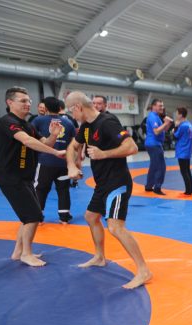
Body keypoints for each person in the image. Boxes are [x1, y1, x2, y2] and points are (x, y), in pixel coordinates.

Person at [65, 91, 152, 289]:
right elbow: (73, 146)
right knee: (91, 217)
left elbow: (132, 147)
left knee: (115, 227)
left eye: (71, 111)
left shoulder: (107, 122)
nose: (72, 116)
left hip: (117, 183)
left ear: (78, 107)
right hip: (102, 184)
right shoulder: (86, 126)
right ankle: (99, 257)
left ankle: (143, 270)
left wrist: (104, 154)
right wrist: (71, 165)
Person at [0, 86, 65, 267]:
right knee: (33, 216)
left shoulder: (28, 125)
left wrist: (53, 135)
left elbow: (44, 143)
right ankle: (27, 254)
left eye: (29, 101)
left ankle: (18, 252)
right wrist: (55, 153)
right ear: (10, 102)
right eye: (23, 101)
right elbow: (27, 141)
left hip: (25, 178)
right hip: (11, 178)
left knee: (27, 216)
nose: (28, 104)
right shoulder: (7, 121)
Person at [32, 96, 76, 223]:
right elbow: (75, 143)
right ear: (60, 107)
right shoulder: (68, 122)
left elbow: (30, 136)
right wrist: (75, 161)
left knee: (41, 189)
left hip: (45, 162)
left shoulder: (38, 120)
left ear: (45, 108)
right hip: (63, 162)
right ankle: (64, 217)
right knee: (63, 189)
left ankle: (37, 216)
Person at [144, 98, 173, 194]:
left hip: (153, 144)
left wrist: (168, 124)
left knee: (154, 166)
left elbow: (164, 130)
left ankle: (149, 186)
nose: (162, 107)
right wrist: (165, 123)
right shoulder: (152, 117)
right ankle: (157, 187)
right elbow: (156, 131)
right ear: (154, 106)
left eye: (162, 106)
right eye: (160, 106)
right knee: (161, 167)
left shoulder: (156, 116)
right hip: (154, 144)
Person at [173, 106, 192, 196]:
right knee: (187, 170)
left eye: (177, 113)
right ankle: (190, 189)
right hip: (187, 150)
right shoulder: (189, 124)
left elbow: (175, 136)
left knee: (184, 171)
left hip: (182, 150)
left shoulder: (183, 125)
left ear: (181, 115)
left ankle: (188, 191)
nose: (176, 115)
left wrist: (175, 127)